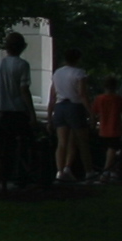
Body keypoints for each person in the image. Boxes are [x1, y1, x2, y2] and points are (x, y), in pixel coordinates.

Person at [0, 32, 38, 188]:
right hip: (17, 110)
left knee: (0, 145)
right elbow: (24, 89)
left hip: (2, 110)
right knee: (23, 144)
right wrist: (31, 112)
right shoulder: (22, 65)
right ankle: (20, 175)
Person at [46, 46, 93, 184]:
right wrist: (91, 113)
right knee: (82, 141)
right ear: (78, 59)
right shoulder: (79, 73)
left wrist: (50, 117)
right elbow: (82, 95)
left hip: (60, 107)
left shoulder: (57, 73)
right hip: (74, 106)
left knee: (62, 142)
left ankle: (60, 171)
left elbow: (52, 97)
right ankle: (89, 172)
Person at [95, 76, 122, 185]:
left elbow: (95, 112)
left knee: (107, 150)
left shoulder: (99, 99)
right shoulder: (118, 99)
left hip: (103, 129)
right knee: (113, 149)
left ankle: (108, 171)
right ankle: (106, 172)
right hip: (115, 128)